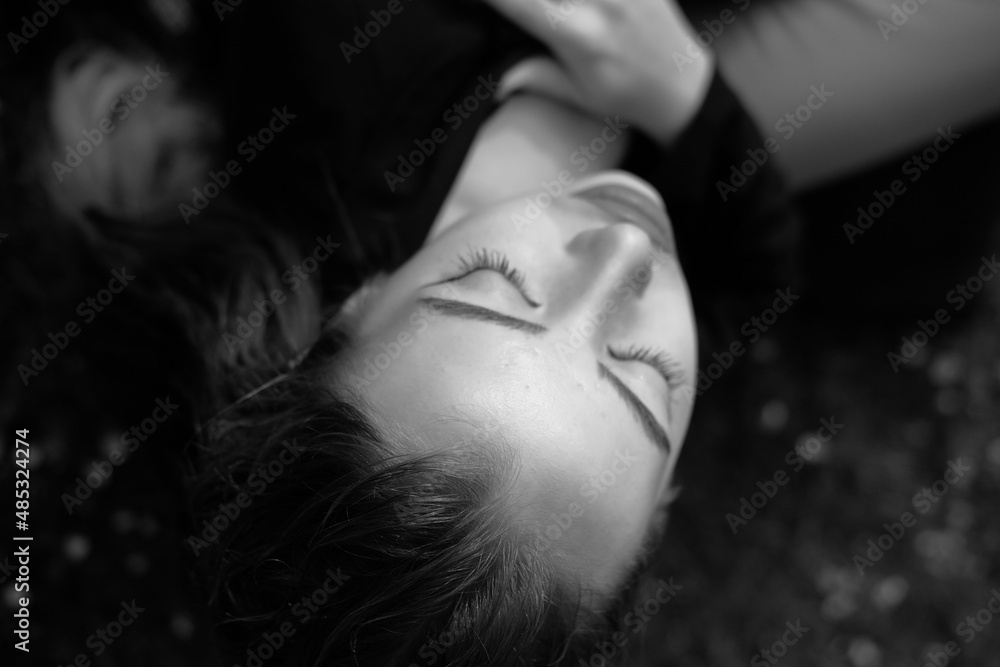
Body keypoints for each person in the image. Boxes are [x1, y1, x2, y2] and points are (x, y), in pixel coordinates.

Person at [187, 1, 798, 665]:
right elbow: (760, 266)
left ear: (357, 309)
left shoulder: (328, 60)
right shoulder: (701, 298)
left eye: (493, 282)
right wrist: (682, 92)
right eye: (648, 374)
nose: (626, 249)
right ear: (658, 509)